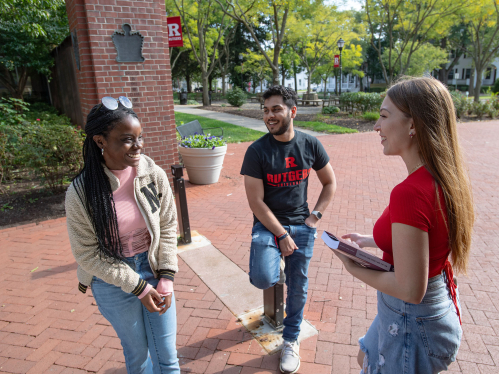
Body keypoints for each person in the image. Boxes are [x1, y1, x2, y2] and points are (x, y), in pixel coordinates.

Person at [333, 77, 474, 374]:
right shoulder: (443, 178)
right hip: (427, 313)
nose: (376, 126)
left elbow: (410, 289)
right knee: (365, 357)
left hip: (411, 319)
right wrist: (368, 240)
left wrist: (353, 267)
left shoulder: (410, 192)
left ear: (414, 125)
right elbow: (424, 237)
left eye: (384, 116)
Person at [65, 96, 180, 374]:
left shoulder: (153, 174)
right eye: (127, 139)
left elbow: (167, 225)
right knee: (138, 355)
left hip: (153, 267)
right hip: (111, 281)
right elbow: (87, 254)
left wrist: (166, 275)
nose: (138, 146)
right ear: (100, 141)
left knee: (167, 355)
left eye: (140, 137)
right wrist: (138, 288)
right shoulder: (81, 193)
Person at [240, 86, 336, 374]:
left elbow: (330, 182)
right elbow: (255, 202)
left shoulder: (310, 144)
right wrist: (281, 235)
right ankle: (273, 260)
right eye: (266, 110)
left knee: (298, 287)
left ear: (292, 111)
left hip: (302, 225)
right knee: (263, 277)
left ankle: (290, 340)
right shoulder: (257, 151)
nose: (269, 115)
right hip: (269, 225)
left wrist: (315, 217)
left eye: (276, 109)